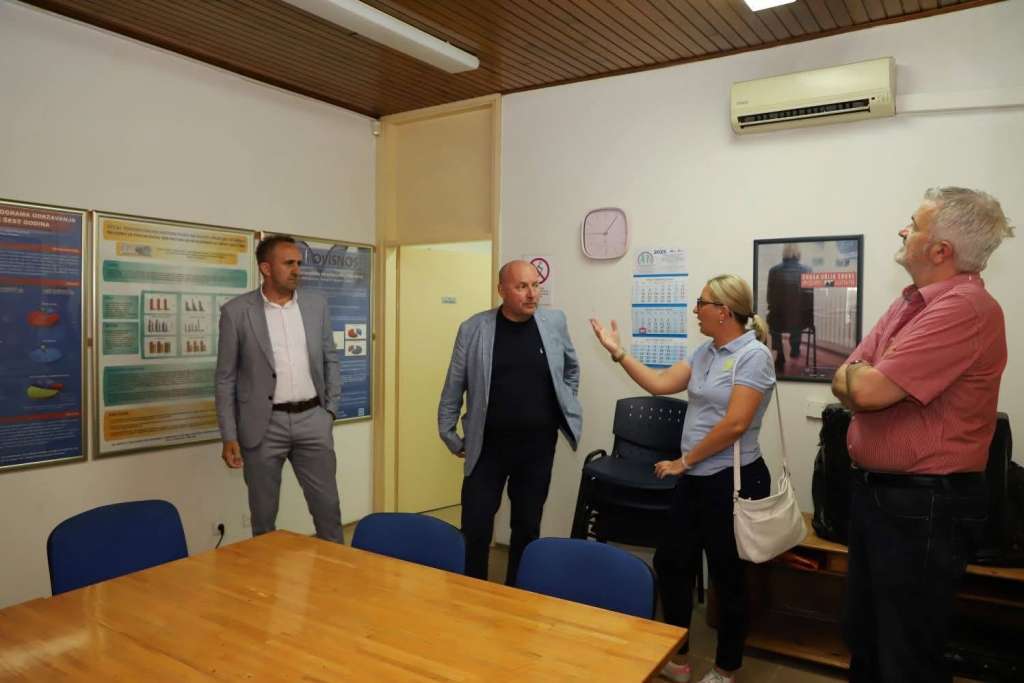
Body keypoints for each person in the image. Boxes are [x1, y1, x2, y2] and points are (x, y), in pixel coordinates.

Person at [831, 187, 1013, 682]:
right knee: (865, 638)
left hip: (923, 506)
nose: (902, 230)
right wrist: (863, 376)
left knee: (905, 654)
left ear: (940, 250)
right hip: (881, 497)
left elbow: (865, 389)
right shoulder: (909, 303)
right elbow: (848, 373)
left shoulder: (965, 309)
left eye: (913, 224)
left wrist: (866, 376)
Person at [591, 274, 775, 683]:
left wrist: (683, 461)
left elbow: (735, 424)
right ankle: (678, 656)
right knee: (672, 562)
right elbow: (660, 384)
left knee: (727, 575)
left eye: (702, 303)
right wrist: (618, 352)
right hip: (697, 477)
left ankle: (726, 668)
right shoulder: (706, 352)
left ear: (724, 311)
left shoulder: (753, 356)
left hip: (733, 480)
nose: (695, 310)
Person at [437, 259, 582, 584]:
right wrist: (449, 433)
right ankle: (471, 590)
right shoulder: (474, 328)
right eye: (522, 287)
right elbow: (454, 384)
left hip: (537, 448)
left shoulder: (554, 322)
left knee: (527, 526)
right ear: (502, 290)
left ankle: (518, 593)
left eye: (535, 286)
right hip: (487, 446)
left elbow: (571, 368)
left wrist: (566, 401)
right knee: (475, 524)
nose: (532, 294)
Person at [215, 234, 344, 543]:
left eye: (298, 263)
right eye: (288, 263)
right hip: (263, 426)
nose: (297, 269)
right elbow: (225, 378)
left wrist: (329, 411)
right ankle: (264, 572)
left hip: (313, 420)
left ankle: (337, 567)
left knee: (328, 508)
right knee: (263, 515)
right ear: (266, 268)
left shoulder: (316, 306)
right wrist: (229, 435)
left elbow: (330, 358)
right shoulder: (236, 312)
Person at [766, 243, 813, 373]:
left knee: (772, 320)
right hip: (800, 320)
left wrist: (774, 309)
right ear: (798, 253)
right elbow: (809, 298)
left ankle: (780, 354)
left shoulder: (774, 270)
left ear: (784, 253)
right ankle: (795, 349)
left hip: (779, 320)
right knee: (798, 314)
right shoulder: (807, 270)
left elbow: (770, 297)